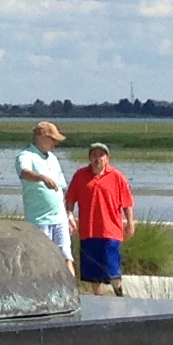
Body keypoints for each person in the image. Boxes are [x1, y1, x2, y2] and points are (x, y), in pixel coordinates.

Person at [66, 143, 133, 294]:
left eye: (101, 155)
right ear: (89, 157)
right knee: (93, 274)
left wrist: (130, 223)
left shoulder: (117, 176)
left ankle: (119, 295)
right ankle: (100, 304)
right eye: (94, 155)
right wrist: (69, 215)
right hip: (88, 231)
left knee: (112, 270)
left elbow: (127, 203)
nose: (97, 158)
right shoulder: (80, 175)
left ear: (107, 158)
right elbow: (70, 198)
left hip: (111, 231)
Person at [18, 121, 69, 259]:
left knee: (66, 257)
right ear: (42, 137)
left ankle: (69, 281)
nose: (55, 144)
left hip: (60, 219)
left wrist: (68, 214)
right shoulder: (26, 155)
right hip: (39, 220)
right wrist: (42, 178)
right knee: (42, 258)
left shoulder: (53, 158)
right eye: (53, 139)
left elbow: (62, 187)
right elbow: (25, 173)